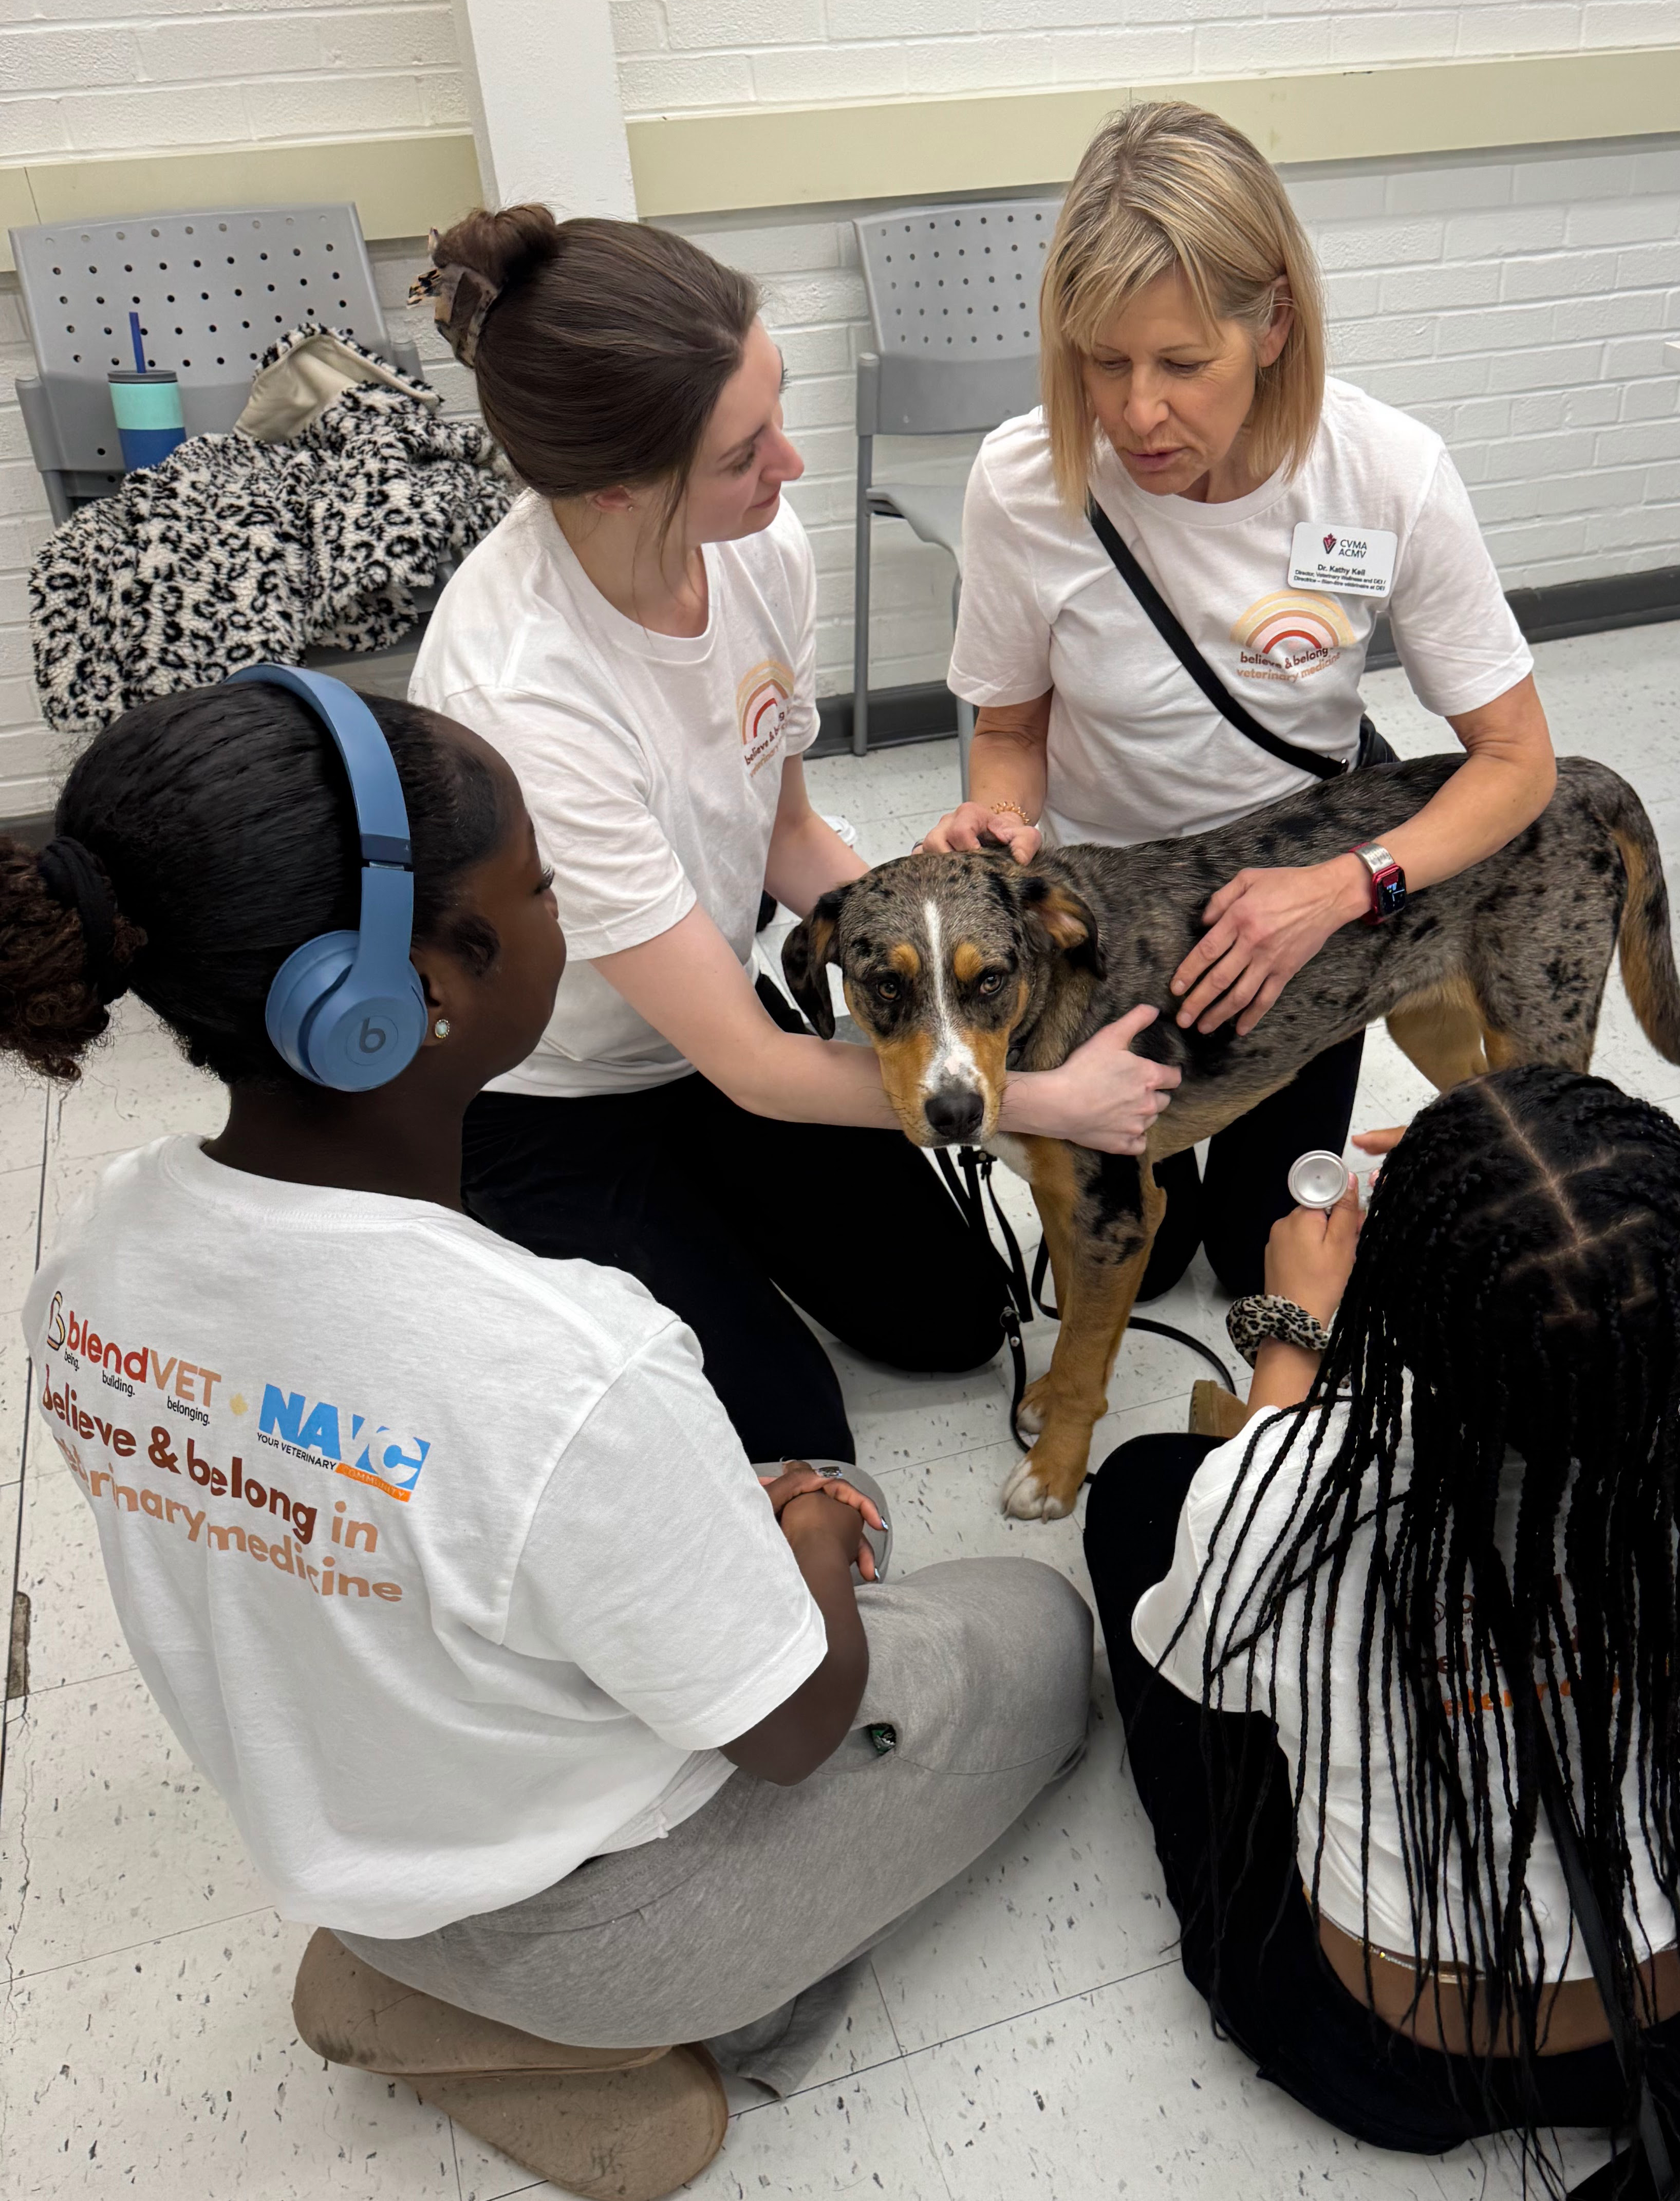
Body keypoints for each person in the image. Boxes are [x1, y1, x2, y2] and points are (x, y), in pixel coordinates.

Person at [4, 675, 1094, 2201]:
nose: (564, 914)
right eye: (539, 890)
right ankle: (656, 2024)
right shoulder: (573, 1361)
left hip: (350, 1867)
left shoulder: (94, 1256)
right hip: (605, 1922)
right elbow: (791, 1730)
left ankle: (425, 1972)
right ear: (412, 983)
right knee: (1031, 1628)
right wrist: (805, 1535)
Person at [406, 208, 1179, 1467]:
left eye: (777, 411)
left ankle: (700, 1217)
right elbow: (759, 1071)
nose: (794, 463)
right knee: (792, 1430)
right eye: (742, 452)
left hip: (711, 1027)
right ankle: (551, 1227)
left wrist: (938, 904)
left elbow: (789, 833)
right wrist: (1052, 1100)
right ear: (617, 484)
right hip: (558, 1092)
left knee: (953, 1324)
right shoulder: (521, 697)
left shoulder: (756, 544)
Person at [1082, 1069, 1680, 2174]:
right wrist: (1542, 1186)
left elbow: (1217, 1641)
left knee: (1143, 1493)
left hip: (1388, 2059)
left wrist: (1292, 1340)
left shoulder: (1286, 1507)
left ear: (1403, 1316)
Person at [929, 101, 1557, 1302]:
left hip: (1298, 910)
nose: (1137, 414)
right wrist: (1000, 820)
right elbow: (1010, 730)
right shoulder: (1025, 481)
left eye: (1182, 365)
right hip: (1110, 920)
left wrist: (1345, 889)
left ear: (1272, 322)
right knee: (1129, 1257)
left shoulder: (1384, 472)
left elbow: (1517, 760)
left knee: (1260, 1259)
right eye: (1102, 361)